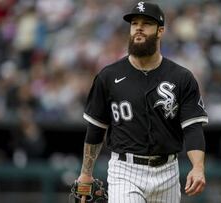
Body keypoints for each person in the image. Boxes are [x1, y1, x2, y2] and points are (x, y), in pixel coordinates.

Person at [76, 1, 208, 202]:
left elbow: (192, 128)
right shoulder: (109, 76)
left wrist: (198, 168)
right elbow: (95, 129)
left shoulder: (181, 77)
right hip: (125, 170)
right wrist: (86, 173)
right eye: (134, 23)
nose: (138, 27)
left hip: (168, 172)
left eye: (146, 23)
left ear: (160, 31)